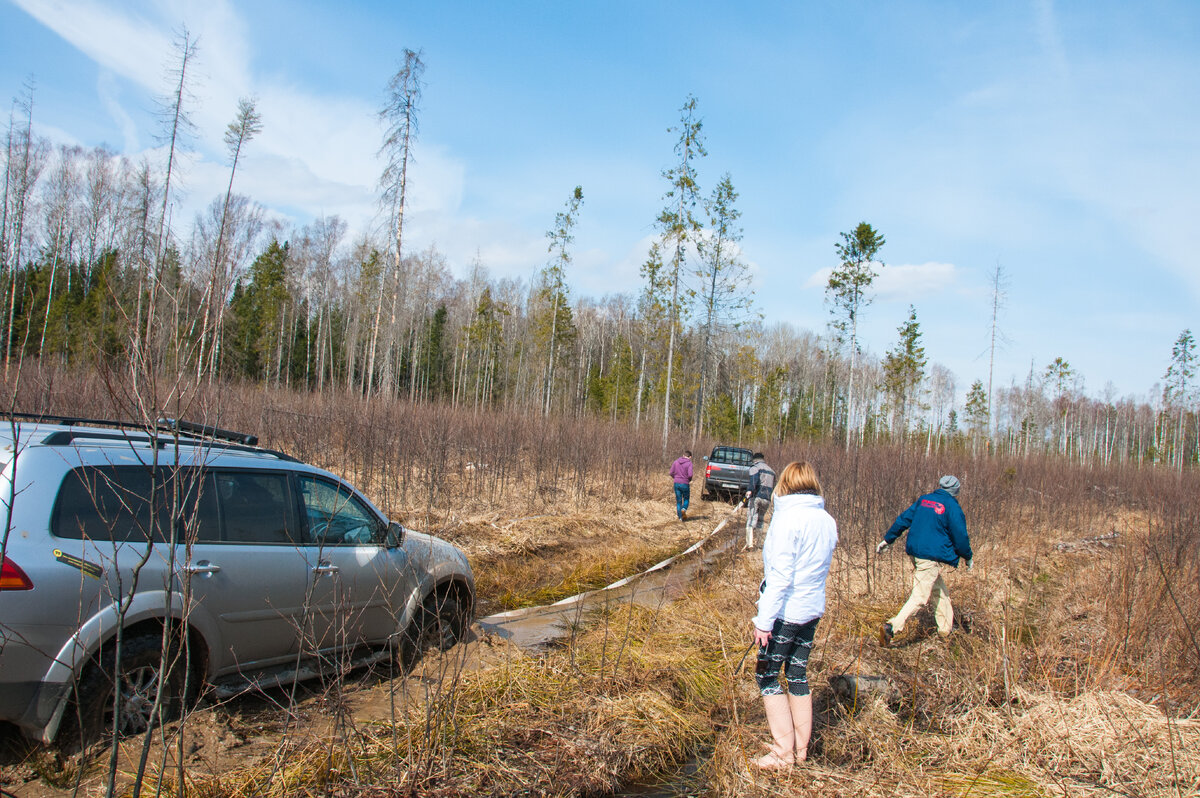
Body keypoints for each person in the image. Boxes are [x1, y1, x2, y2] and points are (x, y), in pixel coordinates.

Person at [750, 461, 838, 770]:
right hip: (812, 611)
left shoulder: (787, 520)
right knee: (798, 675)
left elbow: (781, 577)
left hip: (786, 614)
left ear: (784, 485)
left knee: (767, 676)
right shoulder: (826, 520)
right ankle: (799, 749)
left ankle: (782, 753)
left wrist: (764, 621)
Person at [876, 475, 973, 647]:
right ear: (955, 490)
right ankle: (892, 627)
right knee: (920, 596)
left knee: (939, 591)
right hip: (930, 557)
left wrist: (888, 540)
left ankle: (945, 630)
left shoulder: (925, 500)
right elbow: (960, 536)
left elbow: (903, 519)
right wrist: (967, 556)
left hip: (916, 553)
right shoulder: (951, 506)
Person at [744, 452, 776, 549]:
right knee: (761, 520)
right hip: (767, 498)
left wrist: (749, 490)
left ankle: (749, 544)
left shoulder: (755, 467)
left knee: (751, 518)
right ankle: (758, 543)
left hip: (756, 496)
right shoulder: (772, 471)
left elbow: (754, 480)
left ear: (755, 459)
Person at [668, 449, 694, 521]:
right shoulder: (689, 463)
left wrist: (675, 478)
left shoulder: (676, 462)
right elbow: (690, 475)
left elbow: (671, 472)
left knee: (678, 501)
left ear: (683, 455)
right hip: (685, 483)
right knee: (686, 499)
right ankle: (684, 509)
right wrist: (689, 480)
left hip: (676, 483)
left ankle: (680, 517)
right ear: (690, 457)